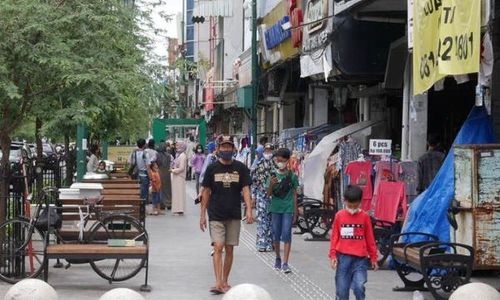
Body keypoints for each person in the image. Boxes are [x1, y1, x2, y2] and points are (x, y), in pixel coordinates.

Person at [200, 135, 254, 295]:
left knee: (230, 249)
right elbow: (206, 192)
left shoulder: (241, 168)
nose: (226, 150)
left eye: (229, 147)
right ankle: (218, 283)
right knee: (218, 247)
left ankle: (225, 280)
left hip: (234, 214)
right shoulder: (212, 168)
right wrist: (202, 214)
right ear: (218, 149)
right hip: (216, 214)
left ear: (233, 149)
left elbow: (245, 189)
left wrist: (249, 210)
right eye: (223, 147)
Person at [329, 185, 378, 300]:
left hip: (360, 259)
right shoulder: (339, 216)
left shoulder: (365, 217)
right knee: (342, 291)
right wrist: (333, 255)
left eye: (355, 206)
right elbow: (334, 237)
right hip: (343, 258)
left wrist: (373, 257)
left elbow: (370, 238)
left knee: (359, 286)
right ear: (345, 201)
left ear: (360, 202)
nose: (352, 208)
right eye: (349, 206)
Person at [266, 148, 299, 273]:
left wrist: (296, 211)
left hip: (288, 208)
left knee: (286, 234)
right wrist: (271, 185)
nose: (280, 162)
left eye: (282, 160)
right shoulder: (272, 175)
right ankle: (278, 258)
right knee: (276, 233)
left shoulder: (292, 176)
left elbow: (295, 194)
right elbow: (268, 194)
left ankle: (285, 262)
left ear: (287, 160)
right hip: (275, 208)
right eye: (278, 160)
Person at [252, 143, 276, 252]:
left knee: (271, 220)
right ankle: (261, 243)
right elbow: (254, 182)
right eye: (266, 151)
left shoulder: (276, 165)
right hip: (261, 195)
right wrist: (253, 196)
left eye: (270, 151)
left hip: (273, 197)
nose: (268, 153)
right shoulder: (258, 164)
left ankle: (270, 243)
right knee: (261, 219)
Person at [171, 140, 187, 215]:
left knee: (179, 193)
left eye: (177, 145)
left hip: (179, 177)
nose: (176, 147)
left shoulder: (182, 156)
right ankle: (178, 209)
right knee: (177, 193)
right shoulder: (179, 155)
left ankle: (179, 209)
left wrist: (173, 170)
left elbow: (182, 168)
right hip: (177, 176)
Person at [156, 142, 173, 210]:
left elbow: (153, 162)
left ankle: (162, 204)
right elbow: (172, 163)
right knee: (167, 188)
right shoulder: (169, 155)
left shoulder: (157, 155)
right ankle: (169, 203)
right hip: (167, 173)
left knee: (160, 189)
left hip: (159, 173)